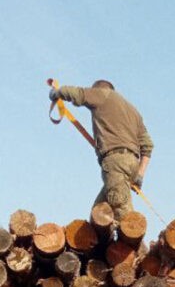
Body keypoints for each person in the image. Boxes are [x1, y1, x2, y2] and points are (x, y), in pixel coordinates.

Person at [49, 80, 152, 219]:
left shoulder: (103, 94)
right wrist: (139, 174)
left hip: (116, 162)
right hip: (132, 164)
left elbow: (78, 93)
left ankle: (136, 242)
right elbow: (147, 146)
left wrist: (57, 93)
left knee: (123, 212)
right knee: (99, 214)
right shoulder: (133, 111)